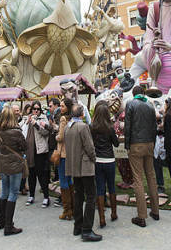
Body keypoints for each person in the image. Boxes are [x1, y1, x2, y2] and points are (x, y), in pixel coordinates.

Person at [65, 104, 102, 242]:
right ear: (81, 114)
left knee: (79, 195)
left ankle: (78, 225)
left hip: (74, 165)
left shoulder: (68, 127)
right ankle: (86, 229)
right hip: (85, 166)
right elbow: (89, 147)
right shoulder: (83, 127)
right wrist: (94, 158)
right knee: (91, 196)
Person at [124, 85, 159, 227]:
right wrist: (153, 142)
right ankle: (155, 211)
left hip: (136, 144)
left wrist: (127, 145)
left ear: (133, 94)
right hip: (150, 143)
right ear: (143, 93)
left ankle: (142, 216)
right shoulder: (150, 105)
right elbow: (154, 126)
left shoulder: (131, 104)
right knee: (151, 176)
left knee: (138, 179)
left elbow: (127, 126)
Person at [0, 105, 26, 236]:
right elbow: (25, 146)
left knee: (4, 192)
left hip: (3, 162)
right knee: (13, 193)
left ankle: (1, 221)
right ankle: (8, 226)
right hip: (14, 163)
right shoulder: (16, 131)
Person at [90, 101, 119, 227]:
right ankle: (113, 213)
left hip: (97, 160)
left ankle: (101, 218)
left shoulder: (92, 127)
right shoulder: (110, 128)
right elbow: (116, 144)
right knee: (111, 187)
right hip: (109, 160)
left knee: (100, 189)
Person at [24, 100, 51, 207]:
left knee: (41, 174)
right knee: (31, 174)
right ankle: (31, 195)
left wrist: (37, 125)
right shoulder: (27, 118)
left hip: (40, 151)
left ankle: (46, 196)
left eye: (37, 109)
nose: (35, 111)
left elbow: (46, 132)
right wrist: (27, 122)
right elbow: (23, 130)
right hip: (29, 151)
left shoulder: (43, 118)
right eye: (34, 109)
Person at [56, 98, 74, 220]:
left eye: (62, 106)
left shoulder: (63, 119)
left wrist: (56, 135)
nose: (60, 108)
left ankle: (67, 210)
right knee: (69, 180)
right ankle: (72, 207)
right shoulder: (73, 119)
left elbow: (61, 137)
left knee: (63, 181)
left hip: (63, 153)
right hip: (71, 153)